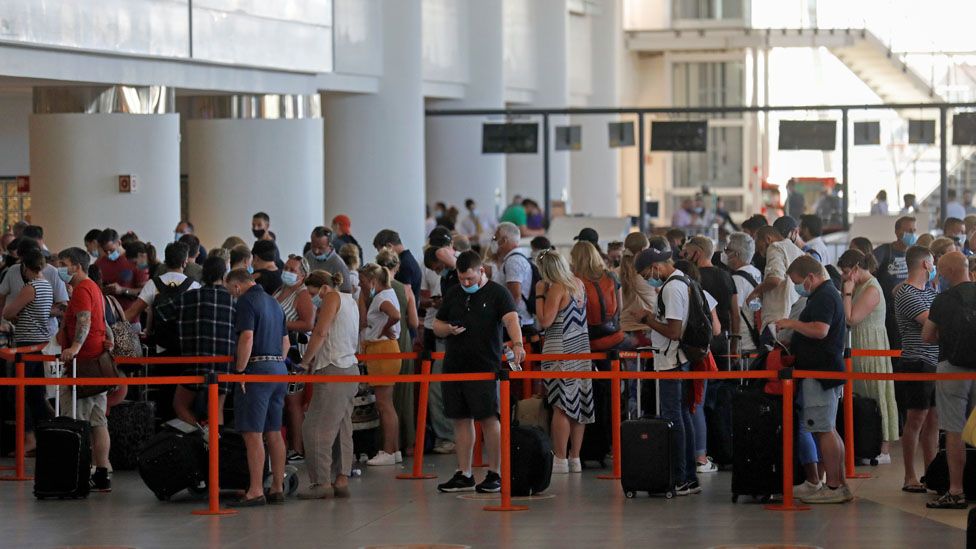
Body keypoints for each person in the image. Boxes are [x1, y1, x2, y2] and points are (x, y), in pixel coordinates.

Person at [434, 251, 524, 494]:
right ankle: (464, 472)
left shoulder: (497, 293)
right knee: (460, 419)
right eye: (462, 279)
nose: (466, 284)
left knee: (488, 419)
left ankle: (495, 472)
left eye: (470, 279)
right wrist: (447, 330)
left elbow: (511, 319)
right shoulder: (454, 293)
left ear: (481, 271)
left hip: (485, 366)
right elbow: (437, 325)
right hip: (454, 366)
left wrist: (517, 344)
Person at [779, 255, 852, 504]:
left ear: (810, 277)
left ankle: (832, 486)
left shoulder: (823, 296)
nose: (799, 287)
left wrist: (792, 324)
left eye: (798, 282)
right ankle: (837, 482)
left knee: (822, 429)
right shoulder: (825, 294)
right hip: (824, 370)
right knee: (828, 428)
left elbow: (821, 330)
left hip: (820, 372)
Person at [633, 245, 700, 496]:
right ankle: (689, 477)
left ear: (655, 267)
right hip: (678, 359)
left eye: (646, 274)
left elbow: (673, 331)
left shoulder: (672, 287)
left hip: (672, 361)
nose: (647, 280)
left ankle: (681, 477)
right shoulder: (684, 281)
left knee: (675, 418)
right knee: (682, 416)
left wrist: (648, 319)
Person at [224, 268, 289, 507]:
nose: (231, 294)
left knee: (252, 433)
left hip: (256, 371)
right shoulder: (275, 303)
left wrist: (240, 371)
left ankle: (255, 490)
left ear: (237, 286)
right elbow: (286, 342)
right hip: (278, 370)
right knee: (274, 431)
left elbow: (247, 337)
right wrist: (276, 364)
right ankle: (277, 487)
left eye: (230, 289)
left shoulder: (246, 302)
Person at [296, 270, 360, 500]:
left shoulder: (331, 298)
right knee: (343, 426)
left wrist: (305, 362)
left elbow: (321, 332)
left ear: (323, 287)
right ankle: (341, 479)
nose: (315, 299)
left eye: (314, 294)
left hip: (332, 367)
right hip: (350, 367)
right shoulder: (350, 300)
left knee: (315, 427)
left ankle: (320, 481)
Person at [155, 256, 236, 426]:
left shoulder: (188, 297)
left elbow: (161, 313)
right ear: (224, 275)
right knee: (217, 409)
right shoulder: (233, 301)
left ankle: (201, 436)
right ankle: (215, 445)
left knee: (180, 405)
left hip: (195, 363)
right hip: (224, 365)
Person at [923, 252, 976, 509]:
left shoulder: (943, 300)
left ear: (949, 272)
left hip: (952, 369)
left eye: (941, 273)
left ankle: (956, 491)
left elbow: (927, 336)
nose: (939, 277)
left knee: (954, 431)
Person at [57, 247, 113, 492]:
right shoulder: (94, 288)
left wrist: (75, 347)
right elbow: (102, 323)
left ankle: (76, 472)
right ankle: (102, 471)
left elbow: (84, 320)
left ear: (77, 266)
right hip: (97, 363)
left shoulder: (82, 289)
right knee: (98, 420)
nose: (61, 267)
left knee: (75, 420)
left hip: (83, 366)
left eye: (64, 263)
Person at [535, 249, 593, 474]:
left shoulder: (557, 287)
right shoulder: (578, 284)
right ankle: (575, 457)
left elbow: (545, 321)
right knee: (579, 405)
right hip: (580, 348)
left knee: (561, 406)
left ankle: (559, 458)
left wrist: (540, 294)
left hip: (560, 350)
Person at [837, 249, 898, 462]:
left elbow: (850, 319)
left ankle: (884, 449)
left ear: (855, 268)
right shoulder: (860, 286)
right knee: (862, 397)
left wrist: (846, 292)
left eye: (845, 272)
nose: (843, 277)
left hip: (872, 347)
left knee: (878, 394)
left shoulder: (871, 288)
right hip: (857, 346)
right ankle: (866, 443)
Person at [893, 245, 940, 493]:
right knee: (915, 419)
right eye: (932, 262)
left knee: (933, 420)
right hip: (917, 362)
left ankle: (931, 474)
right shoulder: (906, 293)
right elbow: (932, 323)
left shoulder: (930, 292)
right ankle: (909, 475)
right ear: (925, 264)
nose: (934, 267)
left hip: (934, 362)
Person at [3, 248, 54, 455]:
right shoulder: (47, 285)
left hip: (27, 346)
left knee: (17, 393)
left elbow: (8, 312)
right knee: (35, 395)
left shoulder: (30, 286)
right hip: (41, 344)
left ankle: (29, 438)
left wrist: (15, 315)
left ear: (25, 266)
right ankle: (45, 437)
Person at [375, 249, 420, 458]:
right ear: (397, 267)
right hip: (403, 343)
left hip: (381, 344)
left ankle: (386, 444)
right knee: (405, 393)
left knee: (384, 398)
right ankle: (408, 444)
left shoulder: (376, 290)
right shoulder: (405, 290)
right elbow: (413, 322)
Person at [358, 263, 402, 467]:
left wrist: (385, 328)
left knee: (384, 404)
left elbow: (395, 315)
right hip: (382, 351)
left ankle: (388, 450)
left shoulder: (382, 297)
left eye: (363, 282)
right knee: (386, 404)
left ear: (372, 281)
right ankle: (394, 449)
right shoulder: (387, 293)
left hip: (382, 351)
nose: (361, 286)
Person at [124, 242, 201, 355]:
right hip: (187, 347)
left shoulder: (153, 284)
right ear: (184, 262)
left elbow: (132, 312)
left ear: (166, 261)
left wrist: (110, 325)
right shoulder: (194, 286)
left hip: (161, 346)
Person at [274, 255, 315, 462]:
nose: (287, 271)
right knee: (284, 401)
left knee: (294, 402)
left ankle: (298, 447)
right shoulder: (281, 290)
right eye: (286, 267)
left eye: (293, 269)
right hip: (279, 352)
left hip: (294, 354)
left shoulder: (302, 295)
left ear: (302, 275)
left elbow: (308, 324)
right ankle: (288, 443)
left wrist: (280, 324)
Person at [421, 246, 455, 455]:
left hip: (453, 339)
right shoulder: (447, 279)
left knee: (437, 389)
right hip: (445, 338)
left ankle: (447, 436)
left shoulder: (458, 272)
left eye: (437, 267)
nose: (437, 272)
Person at [0, 237, 68, 336]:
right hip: (20, 332)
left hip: (46, 332)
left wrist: (29, 315)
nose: (24, 266)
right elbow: (1, 297)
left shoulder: (52, 273)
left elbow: (63, 307)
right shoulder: (13, 270)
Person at [746, 226, 804, 334]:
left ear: (768, 239)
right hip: (792, 320)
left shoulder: (775, 247)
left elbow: (775, 279)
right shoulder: (799, 252)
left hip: (775, 323)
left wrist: (756, 292)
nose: (759, 252)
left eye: (760, 246)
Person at [493, 222, 538, 339]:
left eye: (495, 238)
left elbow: (515, 296)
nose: (493, 242)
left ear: (504, 240)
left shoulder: (514, 261)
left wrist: (505, 318)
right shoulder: (515, 258)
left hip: (517, 324)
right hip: (517, 321)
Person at [724, 232, 763, 362]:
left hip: (743, 345)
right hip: (757, 340)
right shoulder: (757, 273)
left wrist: (733, 345)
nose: (724, 253)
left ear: (737, 254)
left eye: (727, 250)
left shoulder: (737, 279)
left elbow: (735, 315)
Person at [95, 228, 148, 309]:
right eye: (105, 251)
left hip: (130, 316)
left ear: (119, 243)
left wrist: (123, 290)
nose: (108, 254)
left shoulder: (134, 260)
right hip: (107, 314)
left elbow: (145, 291)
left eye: (111, 250)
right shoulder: (99, 263)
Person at [373, 229, 422, 307]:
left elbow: (404, 295)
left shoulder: (404, 264)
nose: (380, 255)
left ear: (389, 246)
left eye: (380, 251)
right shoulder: (407, 259)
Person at [304, 226, 352, 293]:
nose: (316, 251)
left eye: (320, 248)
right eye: (313, 246)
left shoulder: (338, 264)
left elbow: (346, 292)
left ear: (329, 245)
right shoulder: (308, 255)